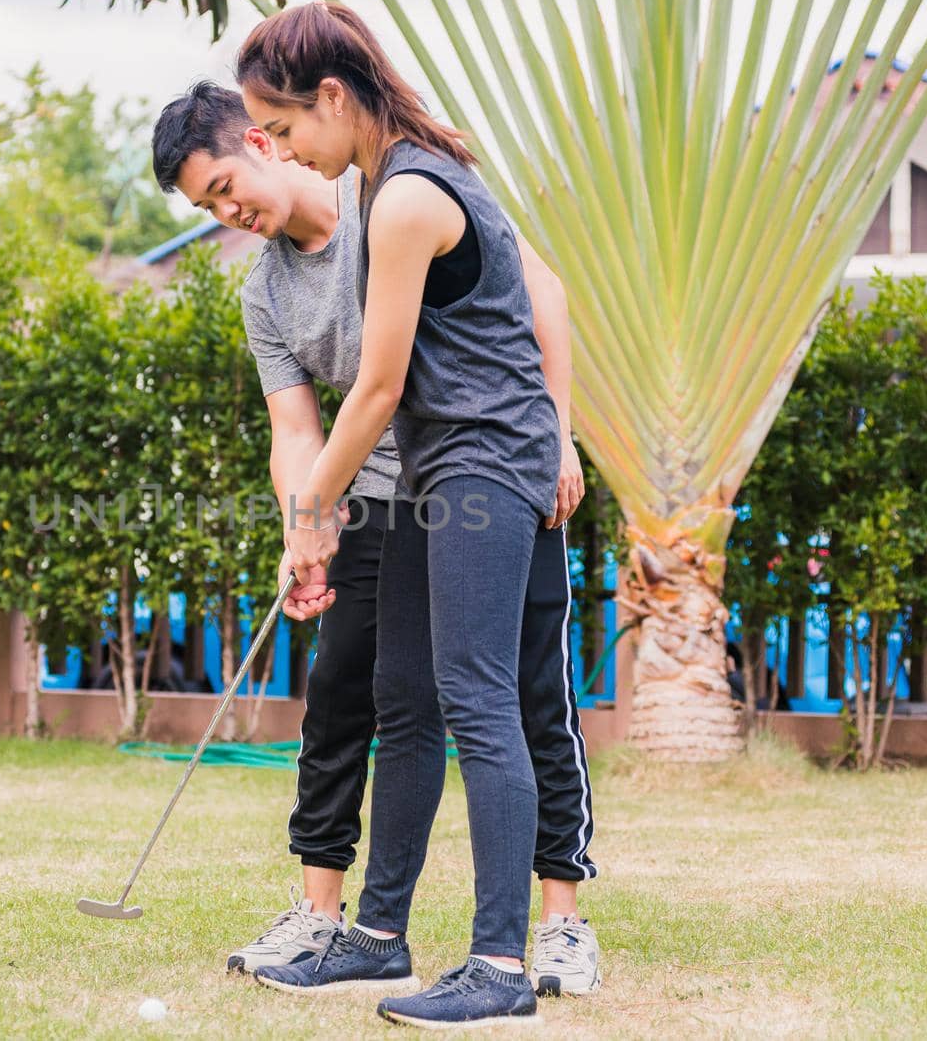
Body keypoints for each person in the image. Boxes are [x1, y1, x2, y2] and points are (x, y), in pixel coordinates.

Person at [150, 81, 602, 1001]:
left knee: (524, 694)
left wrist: (558, 433)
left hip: (493, 466)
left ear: (266, 139)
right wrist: (302, 530)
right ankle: (362, 926)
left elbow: (538, 289)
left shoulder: (391, 190)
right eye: (209, 208)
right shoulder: (268, 292)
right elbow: (295, 432)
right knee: (380, 696)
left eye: (227, 185)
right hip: (389, 495)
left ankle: (557, 923)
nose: (229, 213)